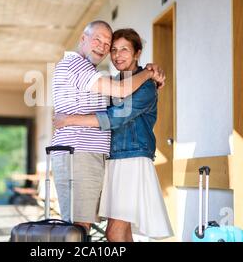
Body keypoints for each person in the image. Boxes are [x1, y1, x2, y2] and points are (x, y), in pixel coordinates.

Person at [54, 28, 173, 241]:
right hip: (114, 161)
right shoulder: (116, 82)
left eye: (125, 50)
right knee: (122, 231)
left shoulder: (145, 86)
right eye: (114, 50)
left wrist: (69, 119)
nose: (118, 55)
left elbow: (115, 117)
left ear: (137, 53)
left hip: (131, 160)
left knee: (114, 232)